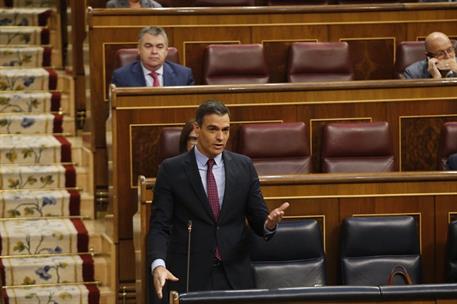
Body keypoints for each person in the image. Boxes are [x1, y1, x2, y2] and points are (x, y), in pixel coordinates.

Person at [147, 100, 289, 303]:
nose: (220, 137)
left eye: (225, 130)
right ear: (197, 129)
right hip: (189, 274)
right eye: (213, 129)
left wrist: (269, 224)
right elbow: (160, 225)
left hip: (234, 275)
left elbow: (258, 219)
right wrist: (158, 264)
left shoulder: (244, 166)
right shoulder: (171, 170)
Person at [111, 26, 194, 87]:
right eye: (148, 46)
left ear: (166, 51)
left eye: (159, 47)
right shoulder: (122, 77)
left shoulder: (184, 76)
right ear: (139, 49)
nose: (154, 51)